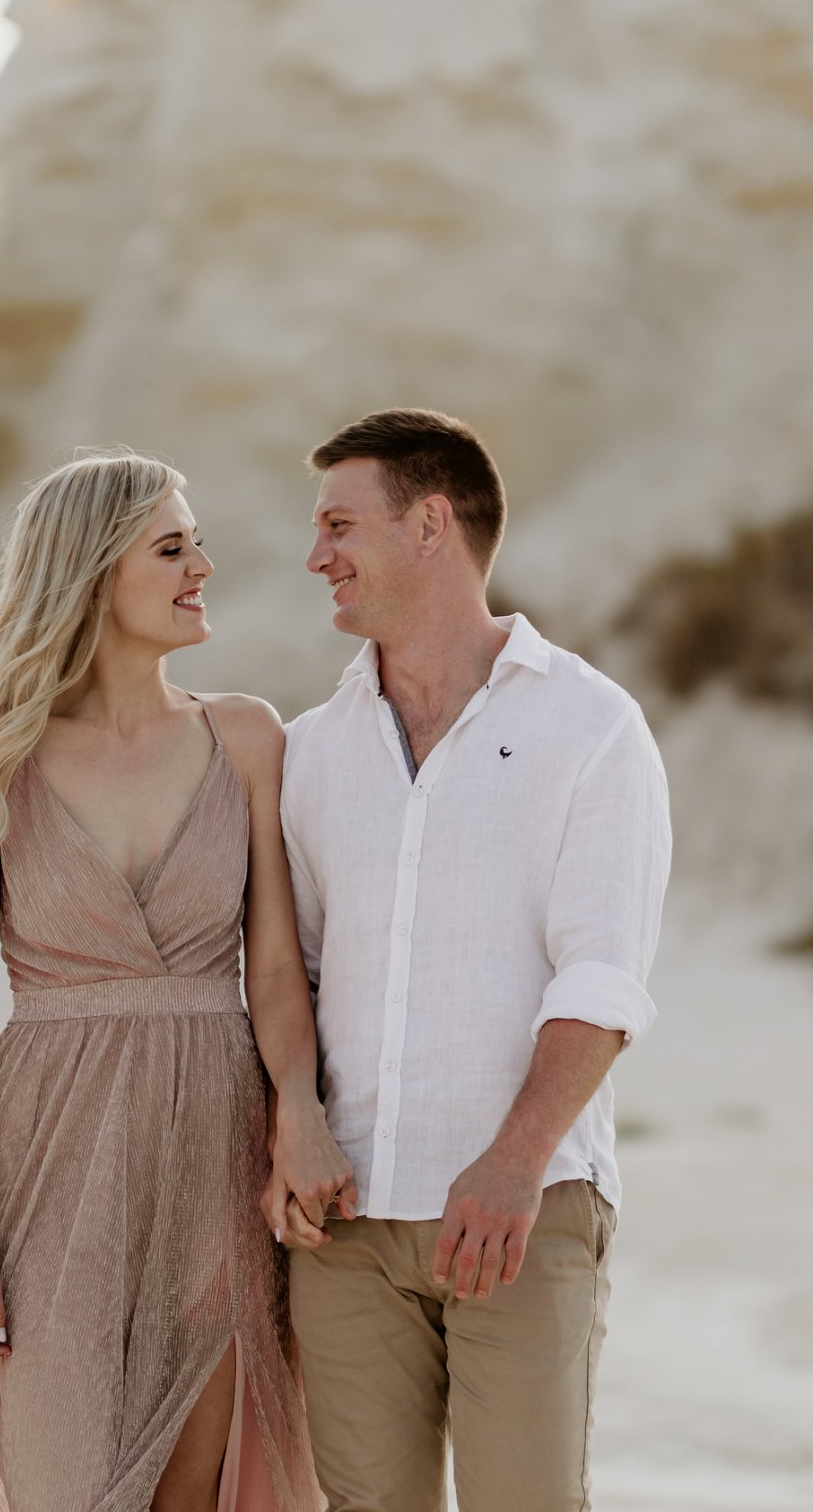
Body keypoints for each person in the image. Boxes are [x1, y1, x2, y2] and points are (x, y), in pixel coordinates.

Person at [0, 449, 353, 1512]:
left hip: (215, 1157)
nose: (202, 566)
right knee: (62, 1481)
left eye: (198, 543)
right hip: (50, 1160)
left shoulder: (244, 735)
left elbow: (273, 967)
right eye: (171, 548)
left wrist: (299, 1114)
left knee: (186, 1488)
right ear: (89, 572)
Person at [272, 408, 672, 1512]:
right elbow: (292, 972)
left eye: (339, 525)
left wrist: (514, 1160)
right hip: (346, 1224)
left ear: (430, 523)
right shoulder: (312, 748)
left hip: (524, 1203)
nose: (316, 556)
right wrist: (291, 1122)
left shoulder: (592, 726)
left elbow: (602, 976)